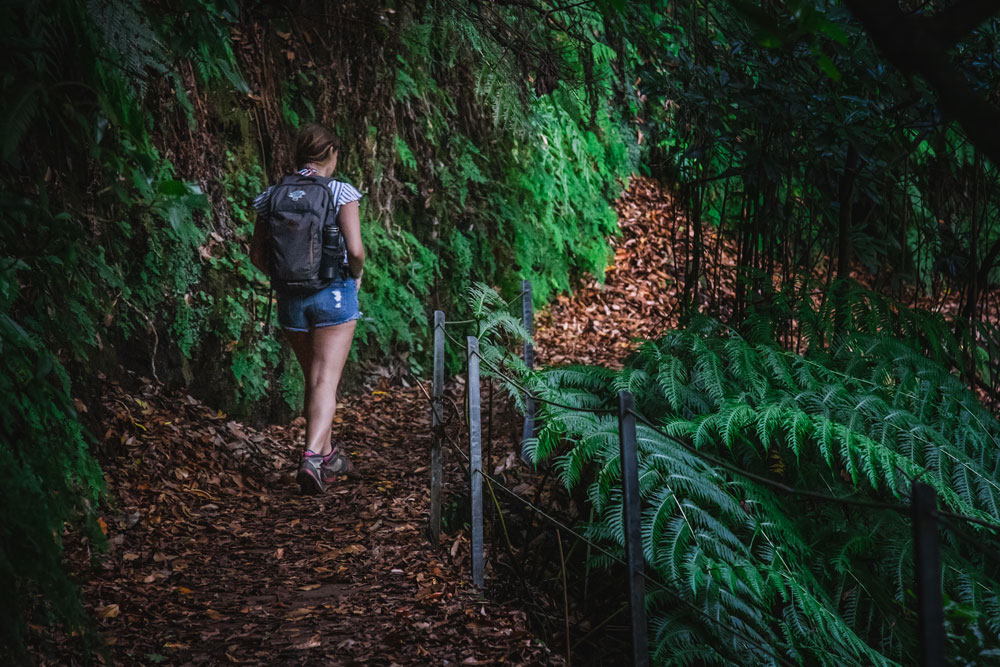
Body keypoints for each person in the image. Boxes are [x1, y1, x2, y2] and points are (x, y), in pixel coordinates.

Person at [250, 124, 365, 495]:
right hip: (333, 296)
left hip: (291, 303)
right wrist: (357, 277)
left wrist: (286, 281)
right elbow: (357, 250)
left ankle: (329, 455)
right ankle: (312, 458)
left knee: (314, 380)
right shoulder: (340, 192)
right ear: (330, 153)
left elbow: (257, 255)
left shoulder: (272, 196)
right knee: (324, 381)